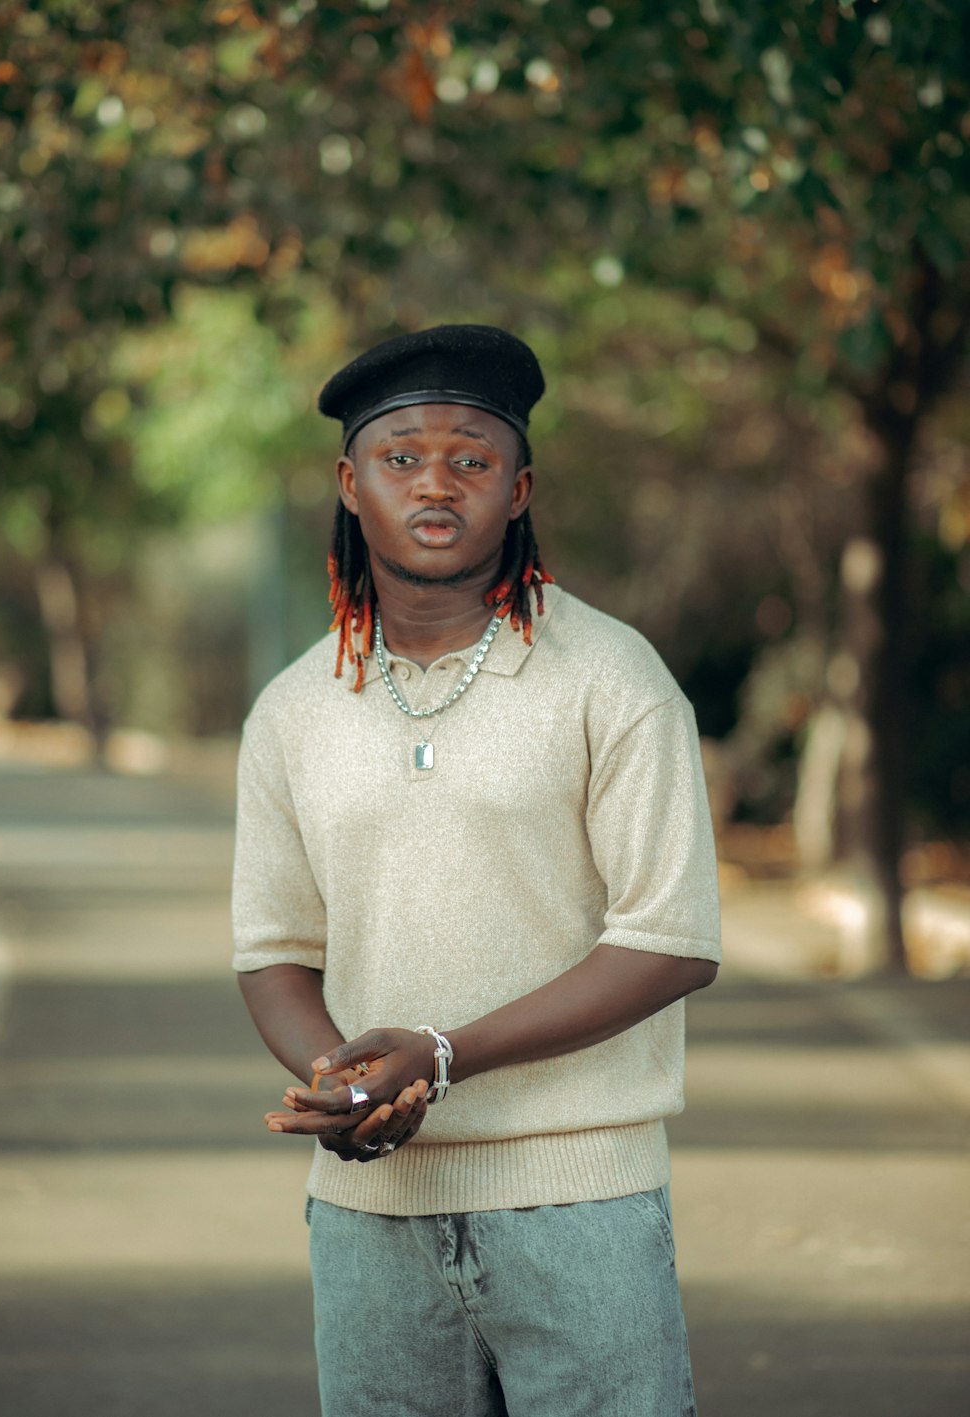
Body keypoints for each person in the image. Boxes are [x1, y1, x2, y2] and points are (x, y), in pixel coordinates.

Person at [232, 323, 721, 1417]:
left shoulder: (609, 677)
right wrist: (348, 1086)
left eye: (472, 458)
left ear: (519, 487)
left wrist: (442, 1059)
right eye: (401, 458)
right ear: (350, 484)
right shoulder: (295, 710)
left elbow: (671, 936)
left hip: (579, 1205)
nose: (436, 484)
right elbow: (273, 952)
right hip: (368, 1220)